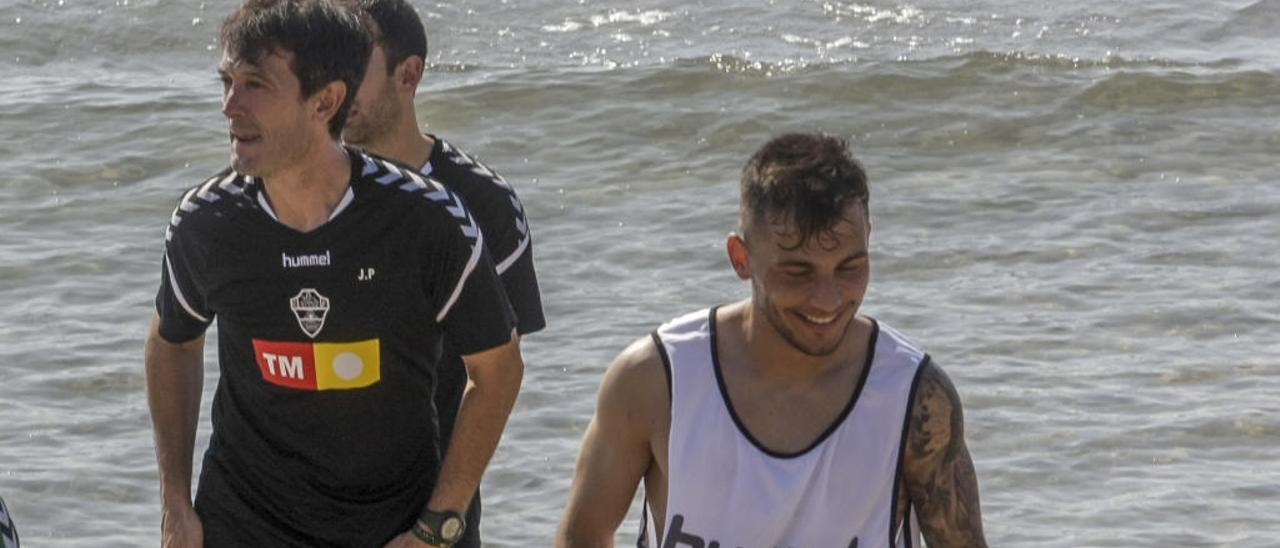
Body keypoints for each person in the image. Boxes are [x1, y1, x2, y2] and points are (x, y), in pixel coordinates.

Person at [144, 1, 523, 546]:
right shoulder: (206, 222)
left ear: (325, 101)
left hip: (395, 528)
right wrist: (175, 504)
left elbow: (497, 372)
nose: (230, 105)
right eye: (226, 81)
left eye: (255, 83)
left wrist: (440, 524)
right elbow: (172, 342)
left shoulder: (428, 219)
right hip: (245, 523)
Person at [556, 133, 987, 548]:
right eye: (797, 272)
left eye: (849, 266)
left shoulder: (915, 398)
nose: (829, 299)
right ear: (741, 258)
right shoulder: (655, 379)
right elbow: (584, 536)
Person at [340, 2, 546, 544]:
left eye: (352, 67)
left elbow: (498, 377)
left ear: (408, 74)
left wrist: (438, 524)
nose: (332, 86)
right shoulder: (296, 191)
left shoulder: (486, 205)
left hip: (424, 515)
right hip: (292, 514)